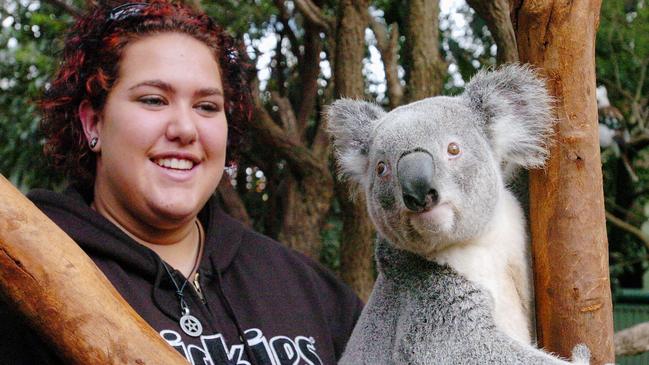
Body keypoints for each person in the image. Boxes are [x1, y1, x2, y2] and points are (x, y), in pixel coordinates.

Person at [0, 1, 363, 364]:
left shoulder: (306, 289)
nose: (185, 130)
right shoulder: (19, 281)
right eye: (154, 100)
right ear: (93, 123)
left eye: (206, 106)